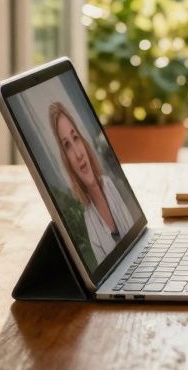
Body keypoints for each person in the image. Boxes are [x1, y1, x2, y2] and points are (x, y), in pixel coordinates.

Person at [49, 101, 134, 264]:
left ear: (84, 142)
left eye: (76, 138)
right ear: (67, 161)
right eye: (67, 145)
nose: (78, 154)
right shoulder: (90, 223)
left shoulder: (112, 185)